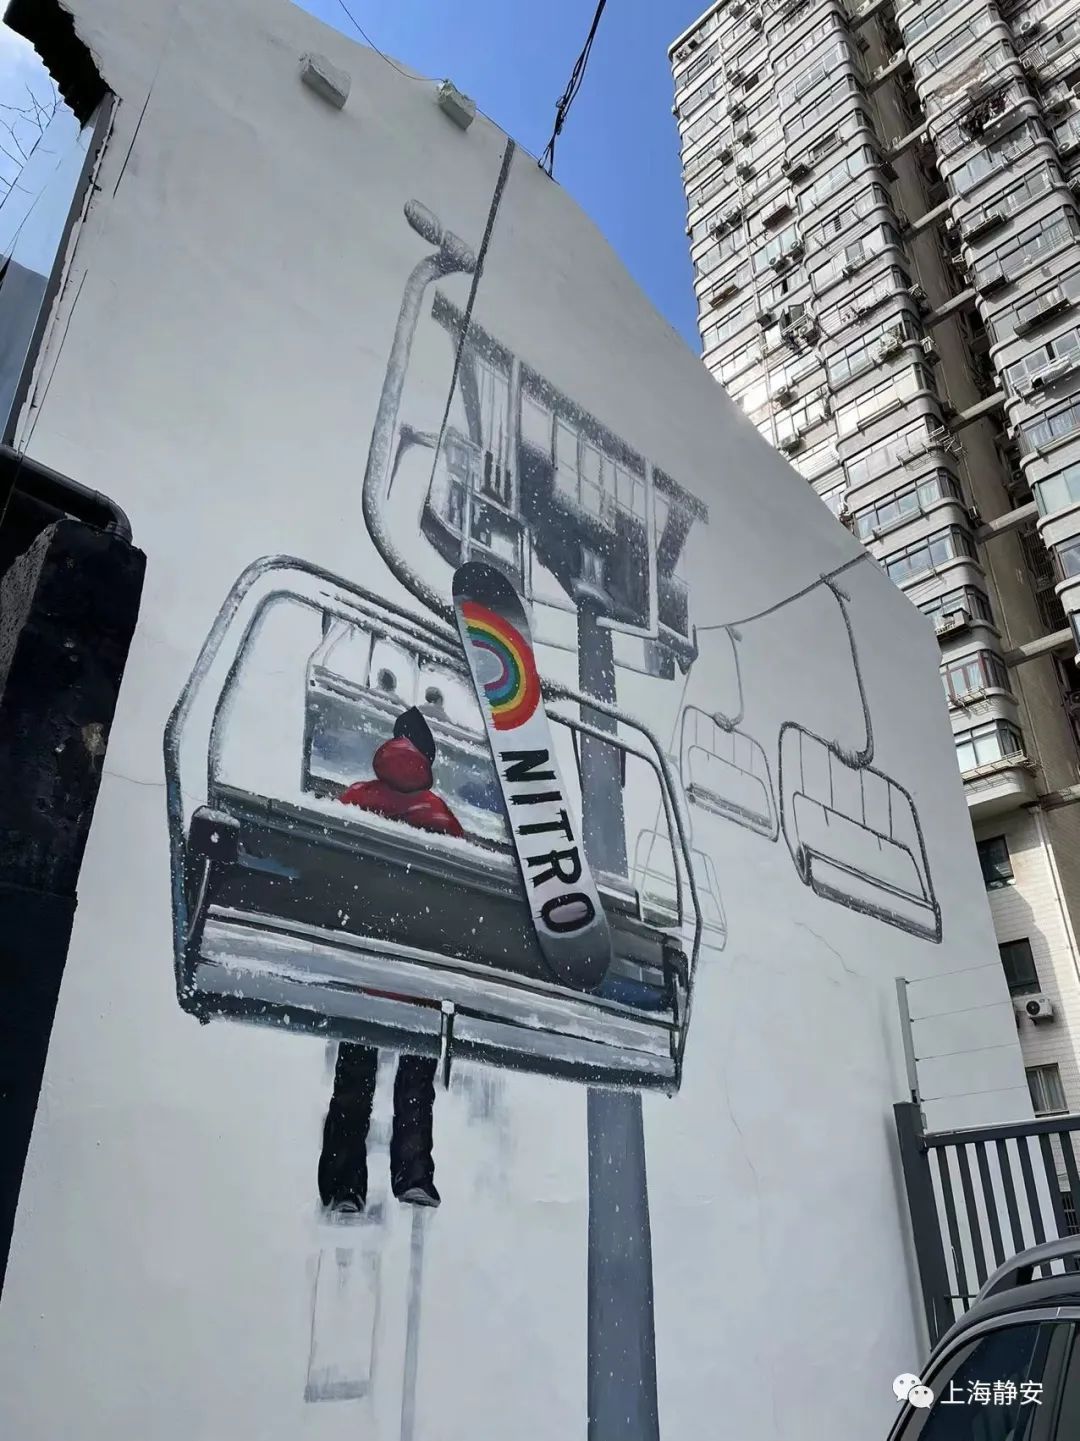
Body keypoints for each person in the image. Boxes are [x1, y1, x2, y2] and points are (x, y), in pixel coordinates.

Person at [318, 707, 463, 1214]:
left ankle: (343, 1186)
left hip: (364, 973)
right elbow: (456, 909)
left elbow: (329, 877)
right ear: (428, 759)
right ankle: (413, 1176)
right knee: (416, 1081)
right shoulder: (440, 817)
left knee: (353, 1078)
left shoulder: (355, 800)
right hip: (417, 983)